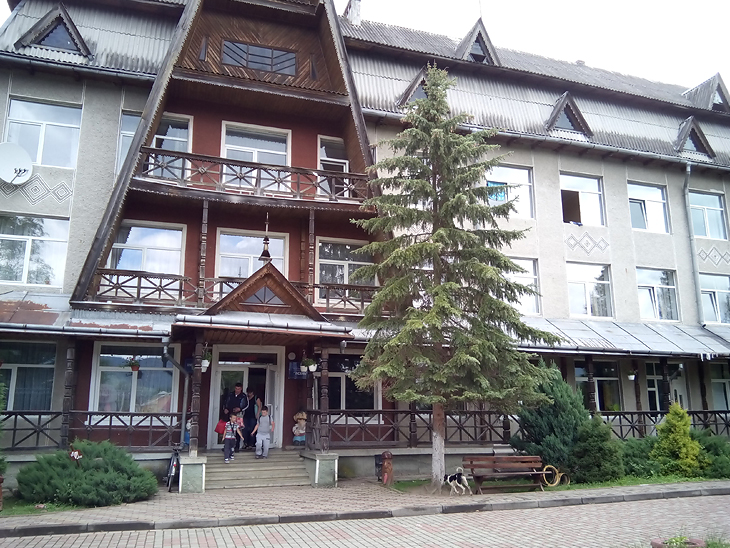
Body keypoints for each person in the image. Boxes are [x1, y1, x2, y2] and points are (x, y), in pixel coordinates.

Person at [222, 383, 246, 452]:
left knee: (238, 430)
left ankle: (237, 447)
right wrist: (225, 409)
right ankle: (227, 446)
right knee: (228, 430)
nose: (237, 390)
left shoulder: (243, 396)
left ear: (241, 389)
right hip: (230, 414)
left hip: (238, 415)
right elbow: (225, 402)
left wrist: (240, 409)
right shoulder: (230, 394)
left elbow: (246, 405)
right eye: (236, 389)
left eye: (239, 389)